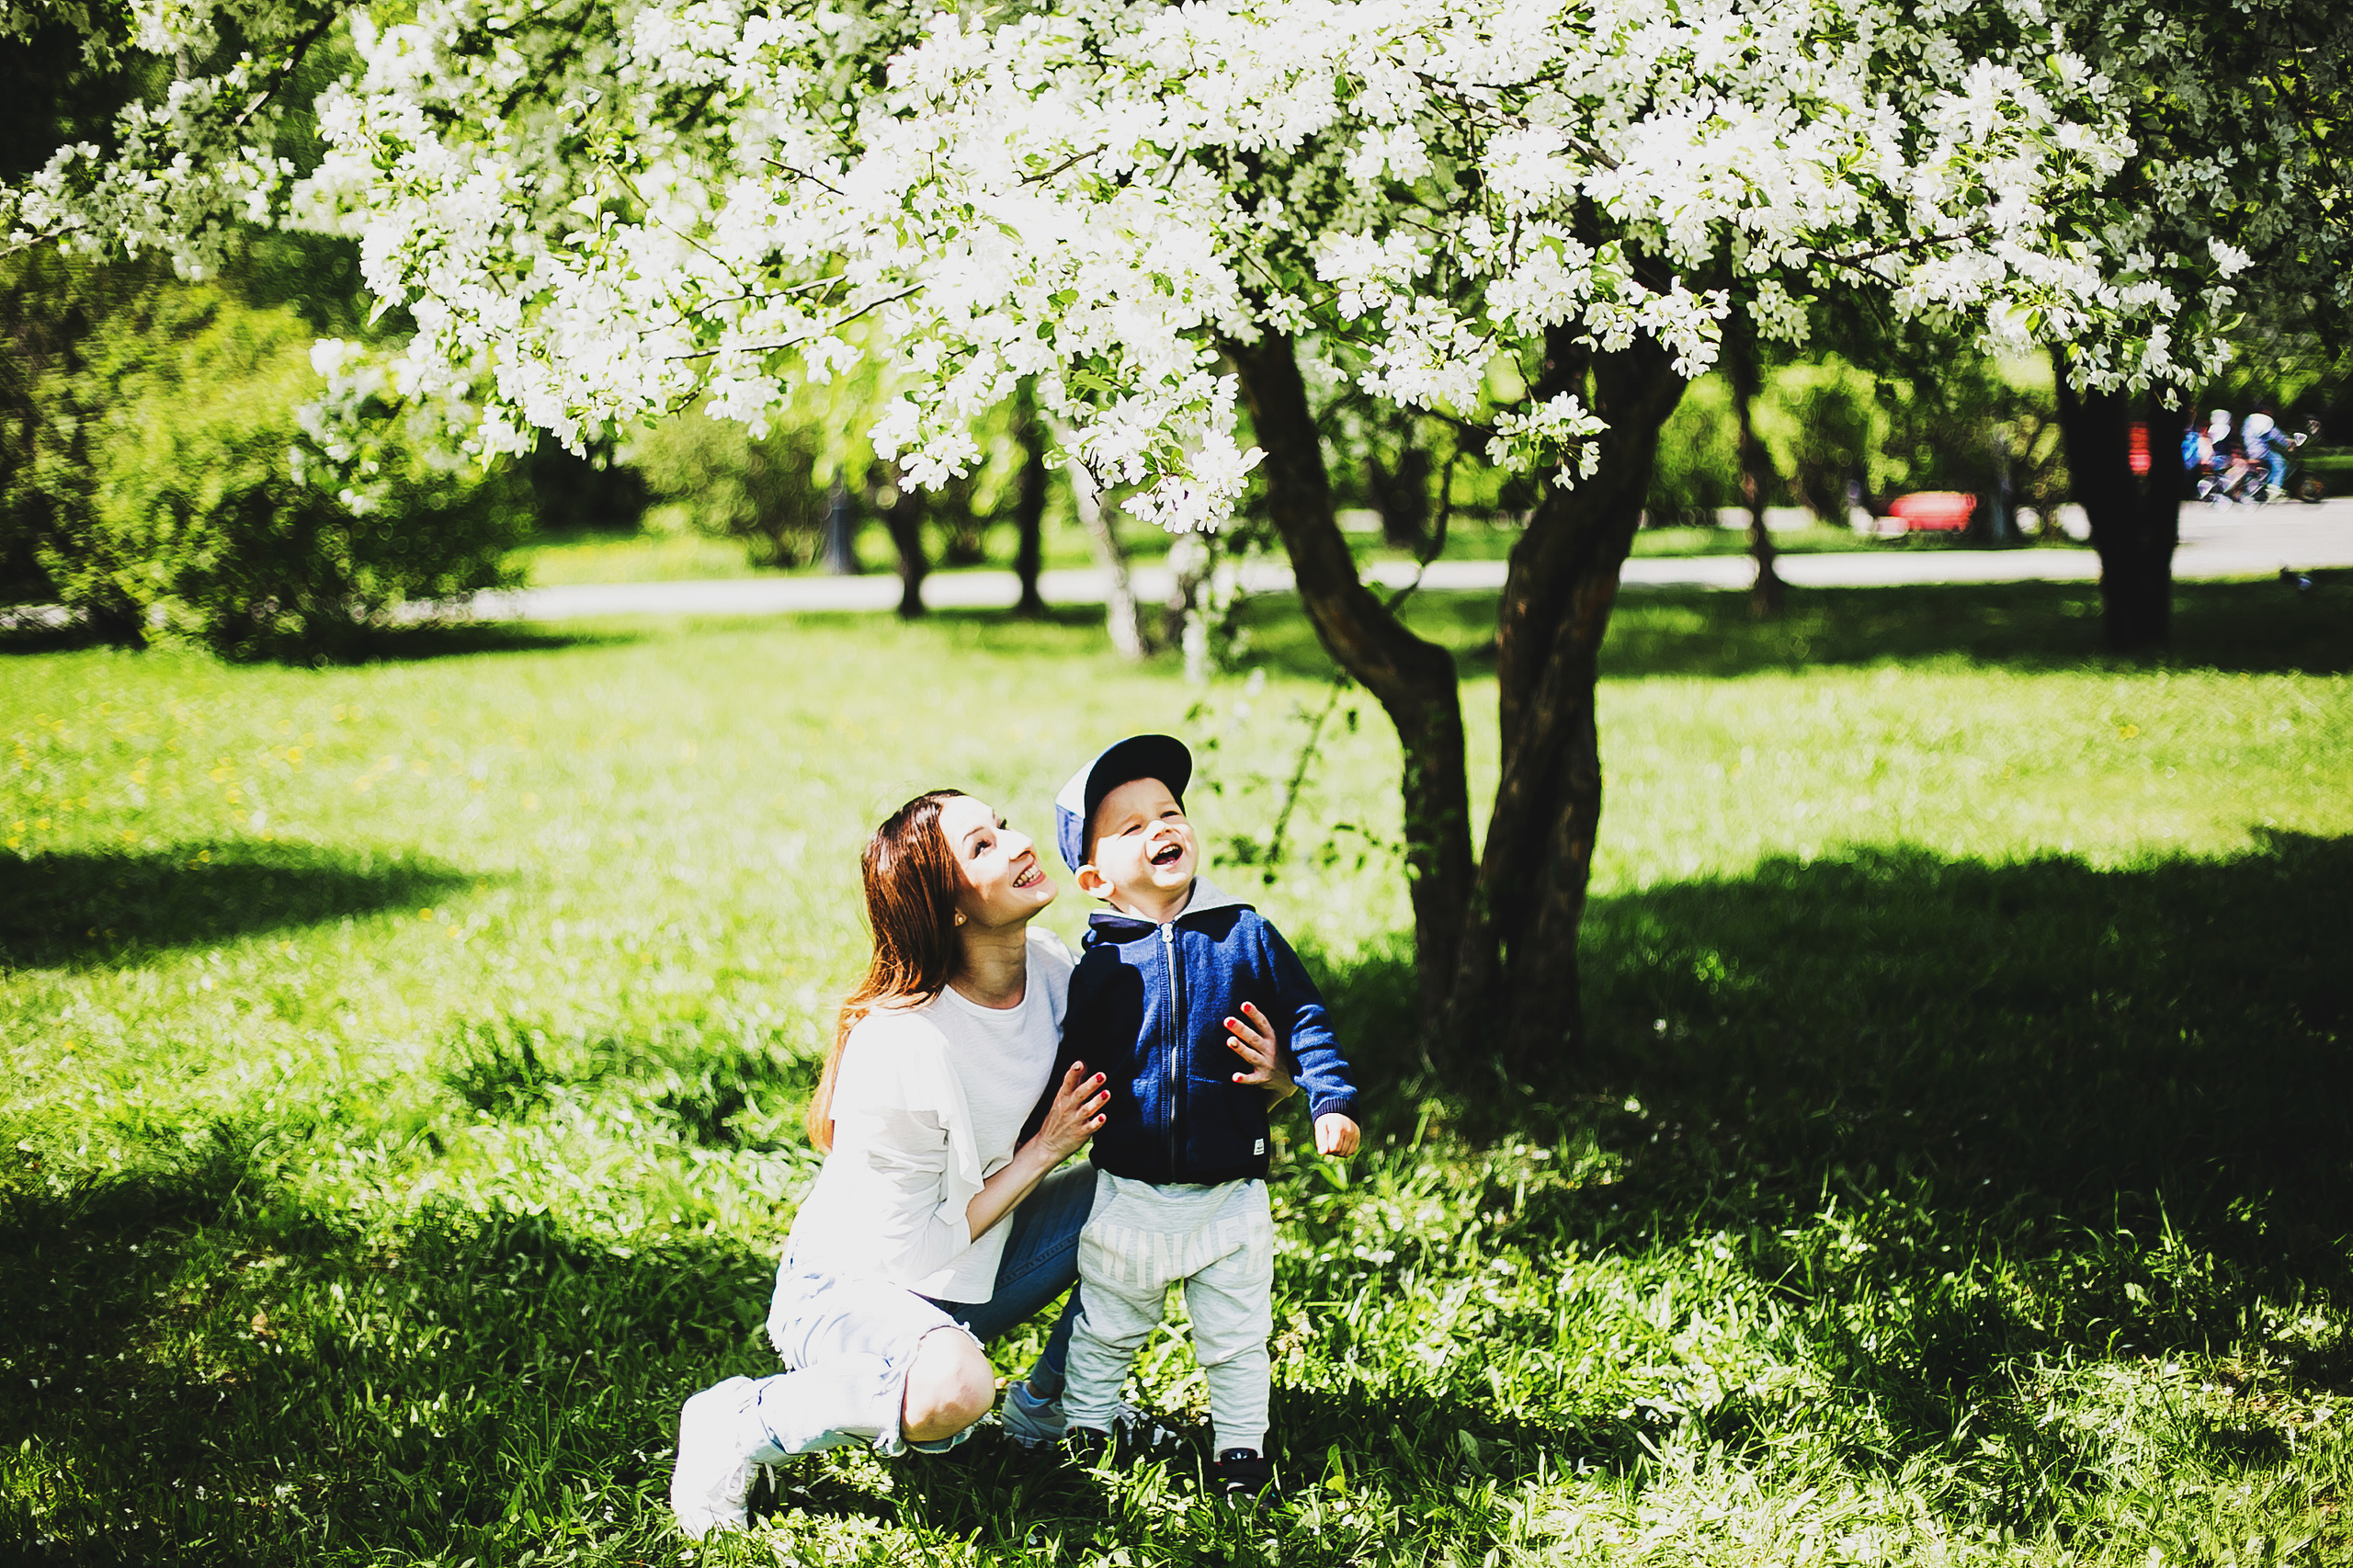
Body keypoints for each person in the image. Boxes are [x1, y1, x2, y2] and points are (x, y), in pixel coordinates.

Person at [668, 788, 1291, 1538]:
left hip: (975, 1258)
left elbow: (1173, 1121)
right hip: (854, 1286)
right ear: (950, 906)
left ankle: (1047, 1408)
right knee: (955, 1389)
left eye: (1002, 824)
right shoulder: (901, 1043)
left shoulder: (1061, 974)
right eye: (984, 846)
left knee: (1146, 1196)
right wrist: (1042, 1152)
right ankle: (739, 1419)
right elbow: (911, 1251)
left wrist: (1276, 1082)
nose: (1020, 842)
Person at [1037, 734, 1362, 1501]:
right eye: (1130, 827)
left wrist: (1328, 1095)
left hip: (1230, 1195)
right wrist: (1039, 1131)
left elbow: (1306, 1014)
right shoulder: (1103, 965)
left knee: (1237, 1337)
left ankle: (1241, 1450)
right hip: (1128, 1192)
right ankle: (1086, 1427)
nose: (1160, 828)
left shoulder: (1244, 931)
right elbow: (1073, 1062)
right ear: (1094, 877)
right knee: (1106, 1323)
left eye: (1170, 811)